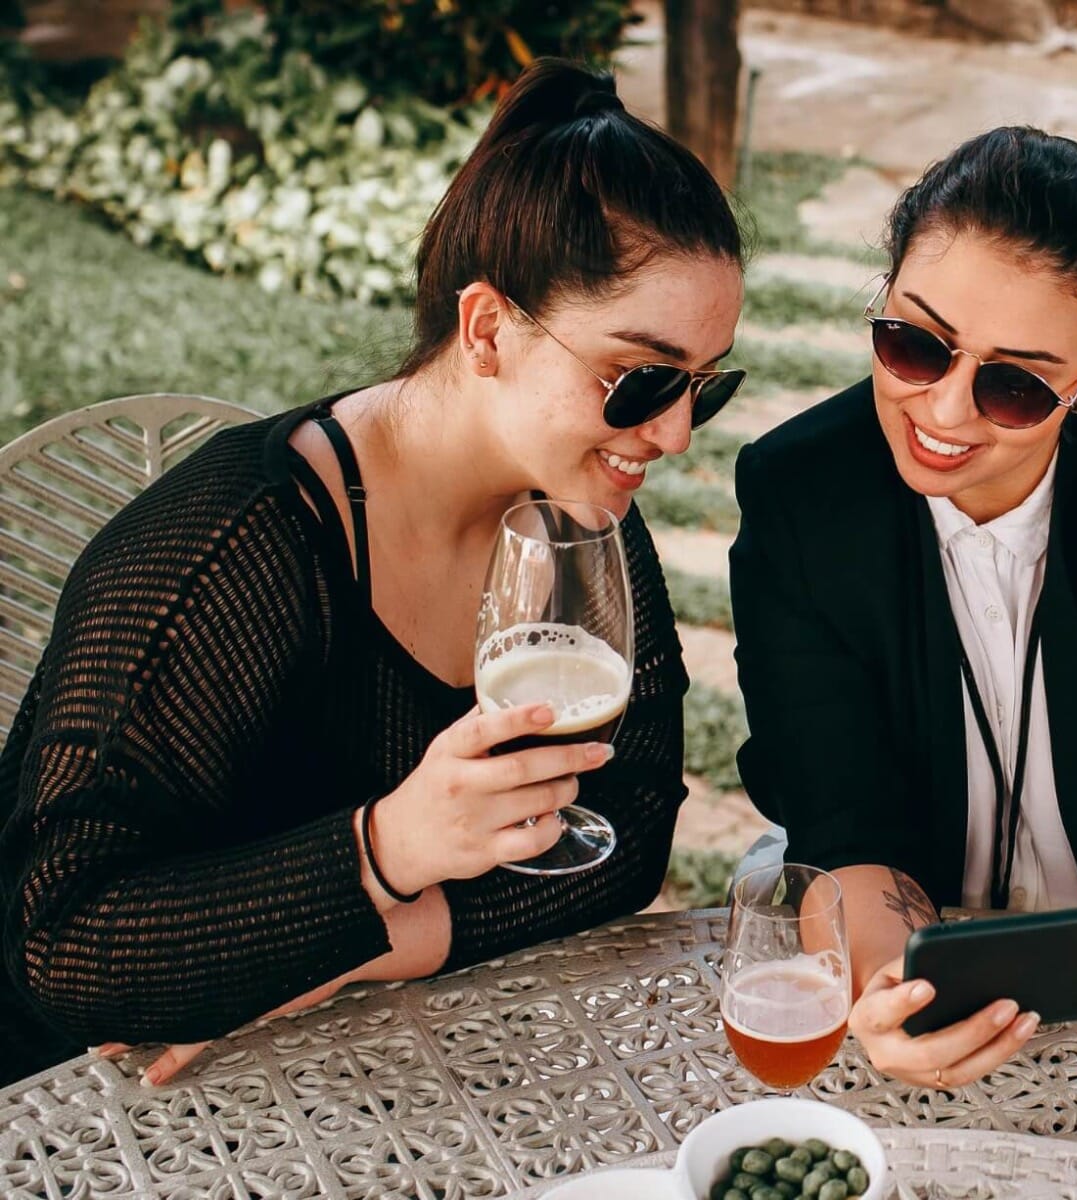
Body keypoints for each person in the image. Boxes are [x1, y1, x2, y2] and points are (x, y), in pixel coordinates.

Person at [0, 59, 745, 1088]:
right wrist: (388, 847)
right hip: (84, 1099)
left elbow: (625, 827)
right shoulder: (232, 549)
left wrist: (344, 949)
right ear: (488, 329)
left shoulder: (572, 516)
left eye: (702, 388)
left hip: (363, 1059)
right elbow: (62, 949)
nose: (670, 434)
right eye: (640, 379)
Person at [730, 127, 1077, 1091]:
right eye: (913, 343)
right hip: (913, 952)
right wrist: (891, 997)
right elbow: (841, 815)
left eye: (1013, 382)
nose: (945, 411)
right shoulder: (798, 492)